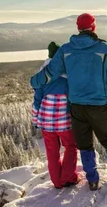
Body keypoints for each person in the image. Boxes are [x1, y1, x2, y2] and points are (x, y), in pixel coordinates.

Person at [30, 13, 107, 191]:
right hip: (98, 105)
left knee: (84, 143)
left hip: (76, 107)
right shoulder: (103, 48)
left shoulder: (66, 49)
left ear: (78, 28)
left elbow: (51, 72)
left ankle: (92, 180)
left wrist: (34, 82)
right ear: (93, 27)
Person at [31, 42, 78, 189]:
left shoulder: (43, 76)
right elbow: (74, 97)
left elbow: (37, 100)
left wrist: (35, 119)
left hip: (46, 119)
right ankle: (68, 178)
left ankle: (57, 182)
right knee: (70, 146)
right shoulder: (68, 74)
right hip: (64, 120)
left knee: (52, 152)